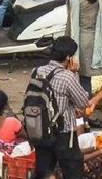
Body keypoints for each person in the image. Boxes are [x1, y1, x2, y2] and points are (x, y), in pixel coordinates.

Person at [28, 36, 89, 179]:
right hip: (63, 132)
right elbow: (83, 102)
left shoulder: (36, 71)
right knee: (73, 170)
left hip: (41, 128)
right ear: (69, 58)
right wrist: (74, 73)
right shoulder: (67, 77)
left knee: (44, 171)